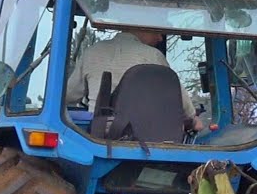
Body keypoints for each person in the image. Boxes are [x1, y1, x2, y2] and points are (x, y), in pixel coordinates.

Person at [66, 27, 206, 131]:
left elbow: (68, 95)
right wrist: (193, 118)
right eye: (157, 32)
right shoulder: (153, 56)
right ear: (140, 28)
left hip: (99, 132)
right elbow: (177, 96)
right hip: (142, 135)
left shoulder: (92, 52)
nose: (160, 38)